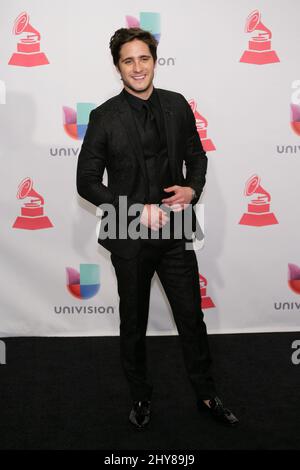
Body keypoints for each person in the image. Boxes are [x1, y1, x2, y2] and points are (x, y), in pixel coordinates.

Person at [76, 27, 238, 428]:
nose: (137, 67)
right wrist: (135, 210)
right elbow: (87, 181)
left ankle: (206, 394)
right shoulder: (104, 116)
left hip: (174, 232)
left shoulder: (177, 105)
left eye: (143, 58)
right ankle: (140, 398)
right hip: (128, 233)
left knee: (192, 318)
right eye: (128, 60)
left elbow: (197, 157)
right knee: (133, 323)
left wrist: (192, 189)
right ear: (117, 67)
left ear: (154, 60)